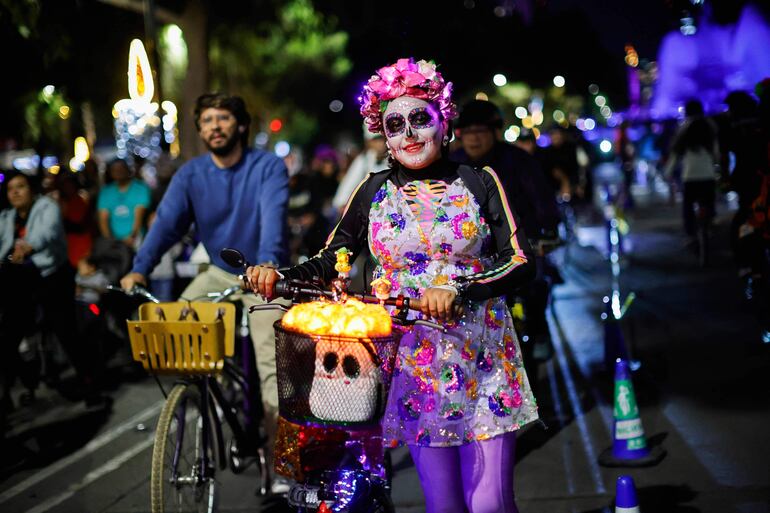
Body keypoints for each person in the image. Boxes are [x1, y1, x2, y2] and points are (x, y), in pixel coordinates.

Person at [248, 58, 538, 513]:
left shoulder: (478, 181)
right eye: (395, 124)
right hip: (413, 365)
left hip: (483, 360)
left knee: (489, 505)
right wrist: (280, 277)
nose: (409, 133)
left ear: (444, 123)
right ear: (383, 135)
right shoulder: (372, 189)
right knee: (442, 506)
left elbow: (519, 261)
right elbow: (331, 258)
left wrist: (461, 290)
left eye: (421, 118)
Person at [120, 92, 290, 493]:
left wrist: (266, 263)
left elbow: (273, 219)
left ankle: (283, 460)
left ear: (241, 126)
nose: (215, 126)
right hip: (218, 272)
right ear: (200, 130)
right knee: (175, 324)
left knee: (271, 366)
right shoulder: (191, 174)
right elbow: (165, 225)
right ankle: (215, 392)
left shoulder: (266, 167)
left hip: (265, 274)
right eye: (208, 120)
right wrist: (139, 269)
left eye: (224, 118)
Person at [452, 99, 561, 363]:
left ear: (495, 132)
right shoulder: (452, 165)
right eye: (468, 132)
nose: (474, 138)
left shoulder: (520, 161)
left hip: (518, 247)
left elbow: (543, 202)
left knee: (535, 285)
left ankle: (539, 328)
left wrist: (546, 233)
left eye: (480, 131)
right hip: (472, 255)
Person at [0, 171, 105, 409]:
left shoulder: (47, 206)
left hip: (52, 277)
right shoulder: (7, 217)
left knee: (66, 332)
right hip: (21, 281)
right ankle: (12, 389)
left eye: (21, 187)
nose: (15, 192)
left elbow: (47, 232)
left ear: (31, 189)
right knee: (8, 336)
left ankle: (90, 385)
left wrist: (27, 247)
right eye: (10, 189)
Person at [665, 99, 720, 241]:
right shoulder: (710, 126)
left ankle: (690, 234)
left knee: (688, 206)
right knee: (709, 203)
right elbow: (716, 152)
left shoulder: (684, 128)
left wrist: (668, 172)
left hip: (690, 176)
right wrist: (717, 165)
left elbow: (675, 153)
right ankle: (710, 225)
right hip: (708, 174)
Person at [332, 126, 389, 213]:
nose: (380, 143)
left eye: (381, 139)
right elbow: (349, 183)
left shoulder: (393, 159)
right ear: (368, 142)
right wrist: (343, 204)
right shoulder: (363, 160)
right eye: (375, 140)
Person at [97, 159, 151, 249]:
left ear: (127, 170)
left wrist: (132, 237)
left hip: (136, 238)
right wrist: (109, 241)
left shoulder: (140, 189)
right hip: (114, 240)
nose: (118, 172)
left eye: (121, 169)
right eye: (115, 170)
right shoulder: (106, 192)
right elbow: (103, 219)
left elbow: (139, 216)